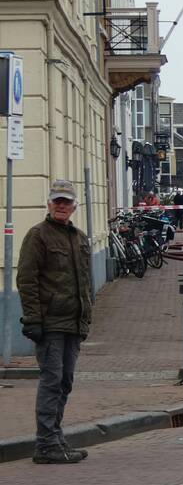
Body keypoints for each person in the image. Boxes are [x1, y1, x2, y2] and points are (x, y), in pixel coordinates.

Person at [17, 180, 93, 464]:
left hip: (73, 324)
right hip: (50, 324)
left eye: (66, 201)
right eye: (57, 201)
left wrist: (85, 318)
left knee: (65, 382)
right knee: (52, 381)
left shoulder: (79, 237)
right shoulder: (38, 236)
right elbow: (26, 279)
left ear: (74, 206)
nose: (62, 206)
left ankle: (55, 438)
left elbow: (85, 282)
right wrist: (33, 319)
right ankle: (46, 444)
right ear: (49, 204)